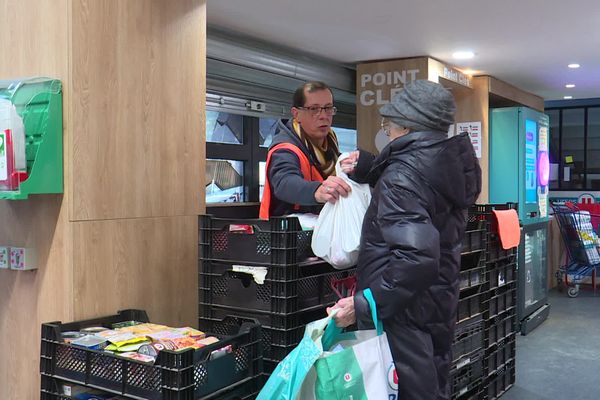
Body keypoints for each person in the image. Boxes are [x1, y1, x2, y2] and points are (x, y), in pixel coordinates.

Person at [329, 80, 482, 400]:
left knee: (410, 389)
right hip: (435, 299)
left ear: (409, 126)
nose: (387, 131)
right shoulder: (445, 163)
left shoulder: (403, 176)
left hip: (404, 310)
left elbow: (416, 258)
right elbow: (424, 199)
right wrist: (373, 168)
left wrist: (364, 305)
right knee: (431, 378)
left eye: (388, 125)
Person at [259, 81, 351, 219]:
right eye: (314, 109)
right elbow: (284, 182)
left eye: (328, 108)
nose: (323, 115)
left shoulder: (331, 144)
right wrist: (317, 190)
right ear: (296, 114)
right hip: (287, 234)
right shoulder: (285, 149)